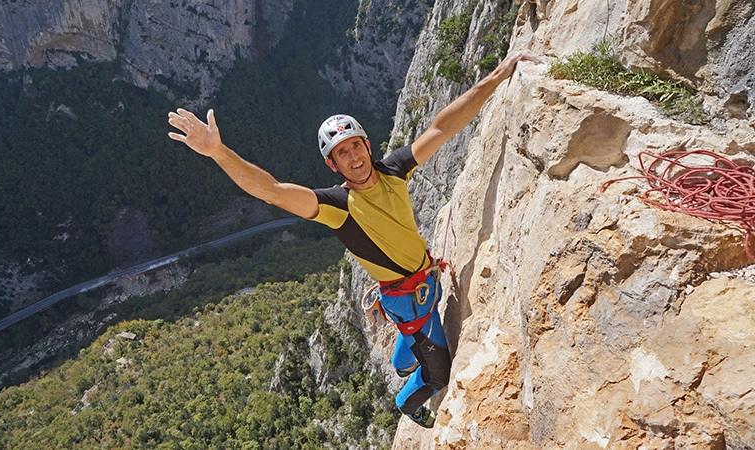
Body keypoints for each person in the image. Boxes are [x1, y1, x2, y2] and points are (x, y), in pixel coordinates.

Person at [168, 50, 542, 428]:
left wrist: (495, 78)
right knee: (438, 375)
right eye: (341, 153)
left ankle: (403, 358)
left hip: (424, 282)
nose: (353, 157)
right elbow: (274, 191)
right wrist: (217, 152)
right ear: (333, 165)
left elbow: (441, 129)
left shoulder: (395, 169)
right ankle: (407, 403)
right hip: (407, 301)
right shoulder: (338, 206)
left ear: (367, 144)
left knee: (430, 314)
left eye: (355, 146)